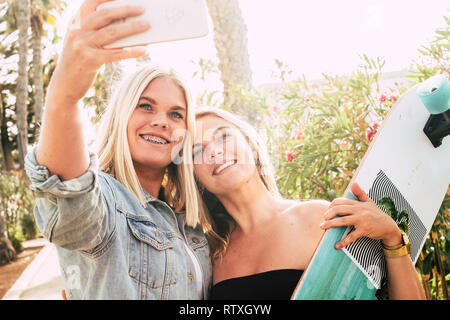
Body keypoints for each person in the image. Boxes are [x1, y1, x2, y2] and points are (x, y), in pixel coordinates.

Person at [24, 0, 213, 299]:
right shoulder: (105, 202)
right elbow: (68, 188)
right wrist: (65, 94)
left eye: (176, 114)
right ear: (120, 116)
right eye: (145, 106)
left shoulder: (187, 219)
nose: (161, 122)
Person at [192, 106, 426, 300]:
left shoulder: (321, 218)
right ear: (195, 179)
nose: (214, 151)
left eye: (223, 136)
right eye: (197, 151)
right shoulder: (209, 255)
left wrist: (393, 237)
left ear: (252, 148)